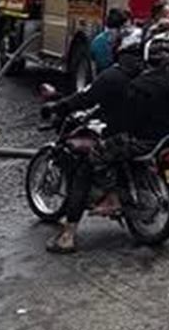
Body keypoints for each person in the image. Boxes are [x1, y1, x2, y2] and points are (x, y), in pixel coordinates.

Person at [44, 28, 145, 254]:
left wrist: (59, 106)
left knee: (85, 169)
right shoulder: (149, 72)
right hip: (150, 136)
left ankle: (68, 236)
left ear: (119, 49)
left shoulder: (112, 76)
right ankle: (113, 194)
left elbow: (85, 97)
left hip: (123, 138)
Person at [88, 8, 129, 74]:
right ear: (119, 29)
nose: (126, 31)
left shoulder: (100, 41)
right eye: (125, 27)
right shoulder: (100, 45)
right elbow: (106, 69)